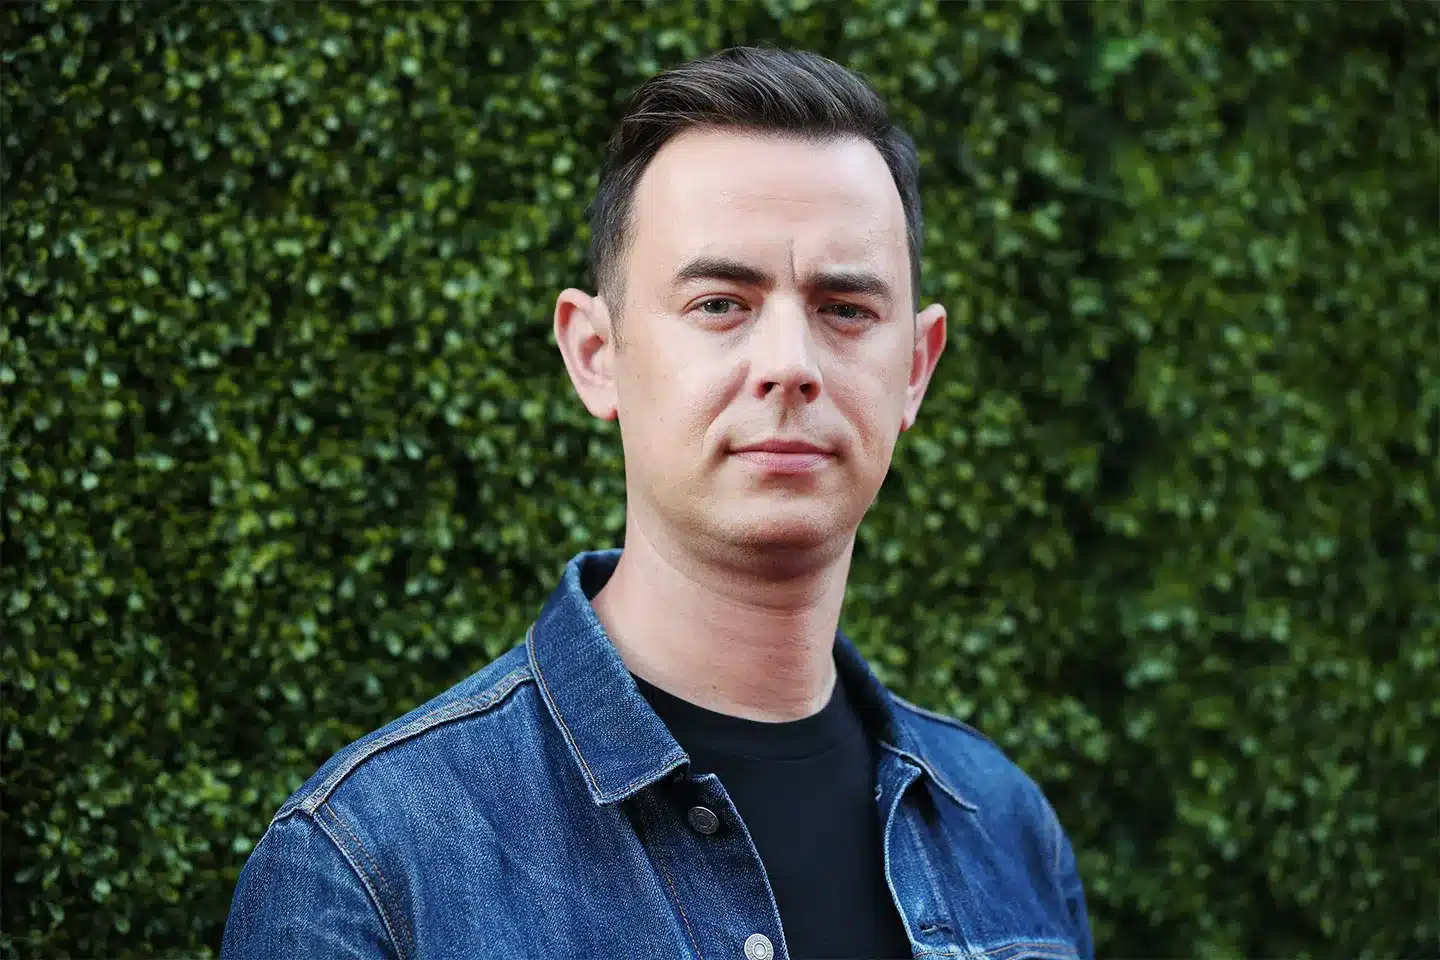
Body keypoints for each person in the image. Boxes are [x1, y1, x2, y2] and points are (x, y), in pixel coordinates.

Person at [221, 45, 1093, 960]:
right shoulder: (374, 864)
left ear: (915, 367)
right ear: (595, 354)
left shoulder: (1005, 829)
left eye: (845, 308)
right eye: (720, 303)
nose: (789, 364)